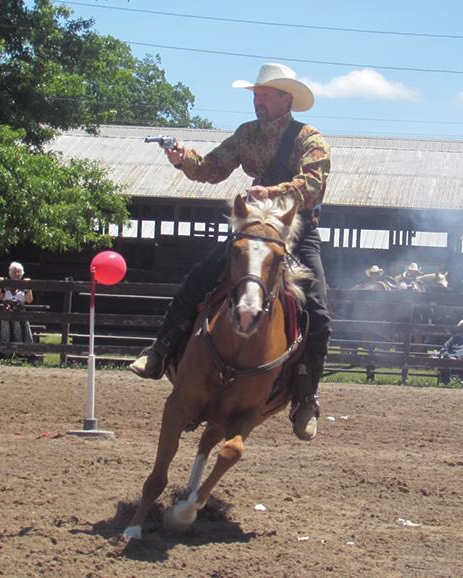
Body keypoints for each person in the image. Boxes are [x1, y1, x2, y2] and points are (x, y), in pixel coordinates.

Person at [130, 62, 331, 442]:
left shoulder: (310, 139)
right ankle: (160, 350)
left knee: (318, 311)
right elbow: (212, 168)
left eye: (264, 94)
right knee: (198, 279)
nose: (257, 100)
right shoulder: (246, 134)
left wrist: (272, 192)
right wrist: (182, 157)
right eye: (256, 94)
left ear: (285, 98)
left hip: (297, 232)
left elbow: (313, 186)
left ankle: (306, 396)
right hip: (255, 229)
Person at [0, 261, 34, 345]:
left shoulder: (25, 284)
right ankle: (5, 351)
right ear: (10, 273)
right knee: (5, 336)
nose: (16, 274)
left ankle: (22, 351)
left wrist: (29, 286)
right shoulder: (5, 284)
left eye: (18, 271)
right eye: (14, 271)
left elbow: (29, 300)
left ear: (22, 273)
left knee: (22, 337)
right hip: (7, 314)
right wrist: (0, 285)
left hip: (20, 313)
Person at [438, 318, 463, 385]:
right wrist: (449, 357)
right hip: (451, 361)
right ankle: (446, 383)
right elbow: (444, 349)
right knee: (445, 358)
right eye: (462, 327)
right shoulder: (453, 339)